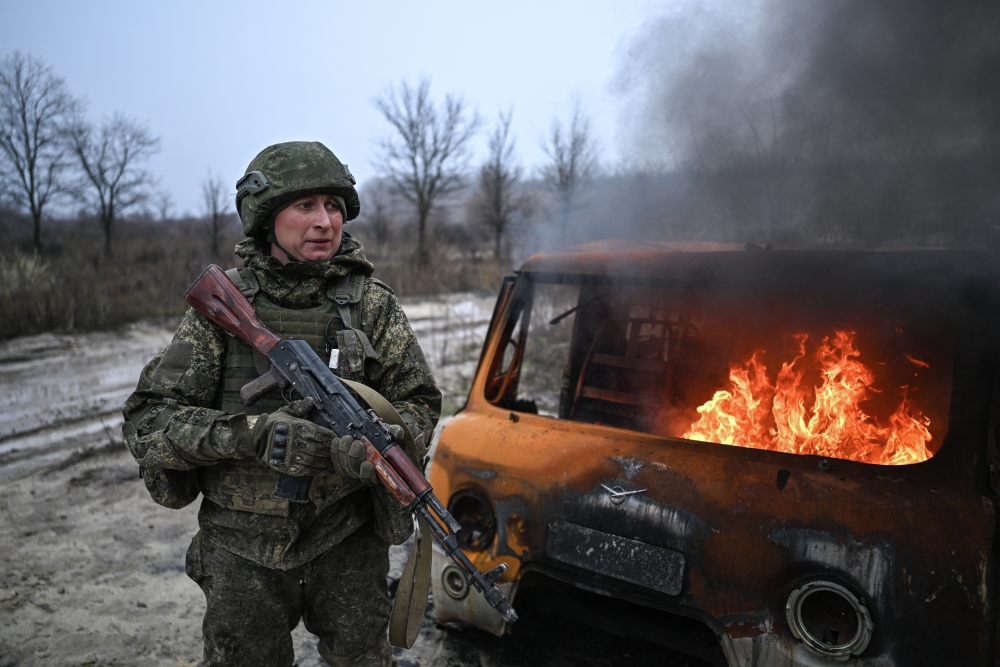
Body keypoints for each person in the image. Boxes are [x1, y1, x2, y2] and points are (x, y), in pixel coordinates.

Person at [122, 141, 441, 667]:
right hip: (241, 545)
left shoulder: (372, 304)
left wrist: (377, 444)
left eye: (334, 206)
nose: (324, 221)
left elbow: (420, 402)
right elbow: (150, 421)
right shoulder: (224, 309)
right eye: (305, 205)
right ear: (267, 217)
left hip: (347, 537)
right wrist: (253, 434)